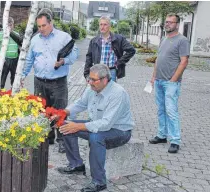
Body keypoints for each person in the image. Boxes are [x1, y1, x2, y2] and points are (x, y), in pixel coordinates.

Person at [55, 64, 134, 192]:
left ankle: (99, 182)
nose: (90, 82)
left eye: (93, 80)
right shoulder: (92, 88)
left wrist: (79, 126)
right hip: (98, 124)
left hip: (120, 131)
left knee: (96, 137)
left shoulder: (118, 93)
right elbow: (80, 103)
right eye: (89, 78)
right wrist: (63, 113)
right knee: (65, 126)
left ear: (105, 80)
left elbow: (106, 123)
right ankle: (77, 165)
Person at [22, 12, 79, 153]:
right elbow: (29, 59)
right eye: (39, 26)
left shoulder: (64, 37)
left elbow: (74, 53)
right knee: (42, 110)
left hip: (58, 82)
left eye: (44, 25)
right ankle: (48, 137)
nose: (41, 29)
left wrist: (64, 61)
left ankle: (62, 140)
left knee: (60, 111)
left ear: (51, 23)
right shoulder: (35, 40)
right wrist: (22, 75)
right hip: (40, 81)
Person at [149, 13, 190, 154]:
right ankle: (161, 135)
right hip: (159, 80)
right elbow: (158, 59)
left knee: (171, 111)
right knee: (161, 109)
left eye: (170, 22)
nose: (167, 24)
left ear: (177, 25)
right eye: (166, 22)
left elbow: (184, 61)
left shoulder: (182, 40)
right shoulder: (164, 38)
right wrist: (153, 76)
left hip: (171, 83)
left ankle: (175, 140)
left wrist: (173, 80)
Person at [84, 16, 135, 82]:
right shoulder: (94, 41)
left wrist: (120, 62)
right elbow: (89, 58)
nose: (102, 27)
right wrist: (87, 74)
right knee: (97, 91)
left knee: (111, 91)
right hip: (97, 72)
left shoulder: (119, 39)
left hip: (111, 71)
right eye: (101, 24)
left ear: (109, 26)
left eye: (105, 24)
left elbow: (131, 50)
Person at [0, 17, 19, 89]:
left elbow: (21, 48)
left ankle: (13, 95)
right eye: (8, 25)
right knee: (1, 82)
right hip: (4, 61)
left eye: (11, 25)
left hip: (15, 60)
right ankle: (0, 96)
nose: (10, 27)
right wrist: (0, 58)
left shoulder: (16, 35)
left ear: (13, 25)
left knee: (14, 81)